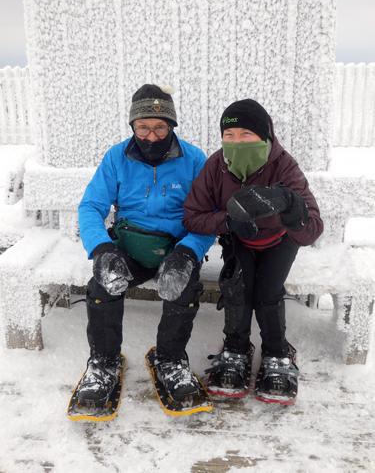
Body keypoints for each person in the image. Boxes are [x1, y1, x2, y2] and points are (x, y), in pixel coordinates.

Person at [77, 84, 215, 407]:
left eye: (159, 127)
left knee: (186, 286)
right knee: (102, 286)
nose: (151, 136)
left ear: (172, 126)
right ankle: (103, 363)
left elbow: (209, 216)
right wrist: (101, 249)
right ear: (132, 126)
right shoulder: (116, 158)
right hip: (128, 248)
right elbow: (90, 207)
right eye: (143, 127)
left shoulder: (194, 160)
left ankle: (170, 359)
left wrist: (189, 251)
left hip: (176, 250)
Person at [183, 98, 323, 404]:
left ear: (265, 135)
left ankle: (277, 353)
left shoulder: (284, 165)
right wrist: (228, 221)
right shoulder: (216, 165)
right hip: (240, 240)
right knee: (237, 288)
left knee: (267, 292)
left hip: (279, 241)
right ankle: (236, 348)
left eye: (246, 135)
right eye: (229, 136)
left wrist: (291, 209)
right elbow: (192, 215)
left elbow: (312, 229)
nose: (236, 142)